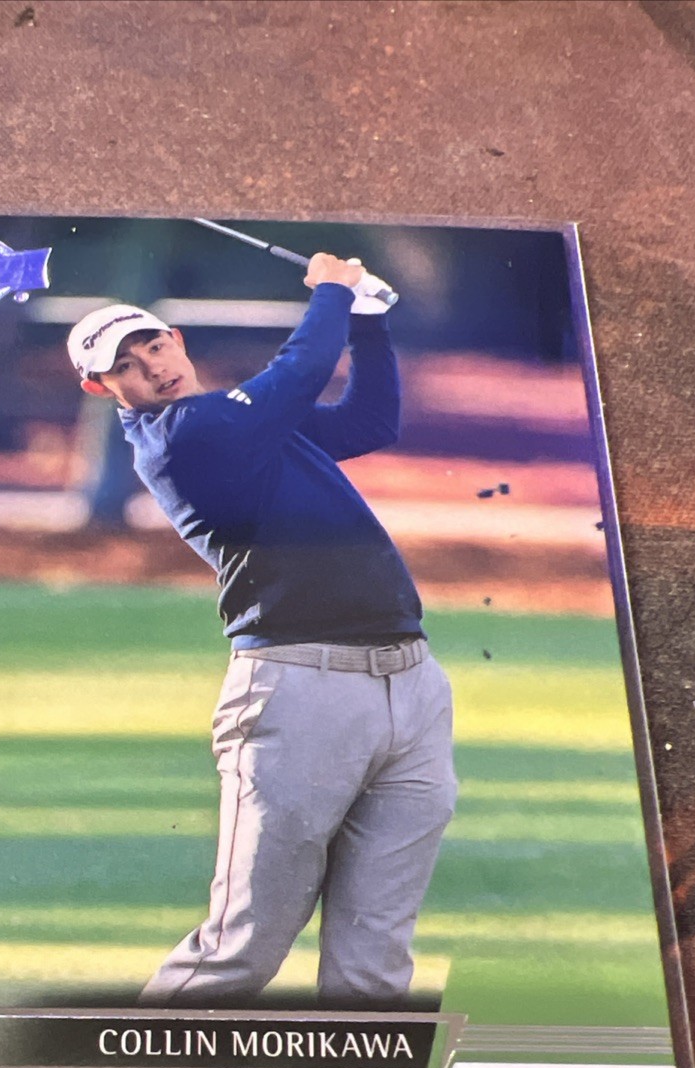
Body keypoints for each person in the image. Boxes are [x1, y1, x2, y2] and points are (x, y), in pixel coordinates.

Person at [66, 253, 456, 1008]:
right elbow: (301, 368)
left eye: (152, 345)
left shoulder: (245, 421)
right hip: (296, 689)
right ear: (100, 389)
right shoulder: (182, 436)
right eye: (123, 366)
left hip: (412, 685)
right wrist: (333, 291)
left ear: (176, 340)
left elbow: (371, 422)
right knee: (241, 947)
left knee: (377, 956)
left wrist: (369, 324)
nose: (150, 367)